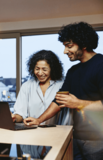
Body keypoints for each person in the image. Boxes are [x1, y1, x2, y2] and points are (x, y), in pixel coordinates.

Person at [23, 22, 103, 160]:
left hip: (97, 140)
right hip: (74, 136)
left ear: (83, 44)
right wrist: (38, 120)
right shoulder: (73, 71)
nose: (65, 51)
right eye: (65, 46)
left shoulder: (101, 65)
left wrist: (78, 103)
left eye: (69, 46)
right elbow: (58, 100)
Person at [12, 50, 64, 125]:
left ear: (52, 69)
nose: (39, 73)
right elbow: (20, 114)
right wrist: (14, 118)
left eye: (44, 69)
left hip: (58, 132)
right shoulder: (27, 86)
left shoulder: (62, 85)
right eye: (37, 69)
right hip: (33, 132)